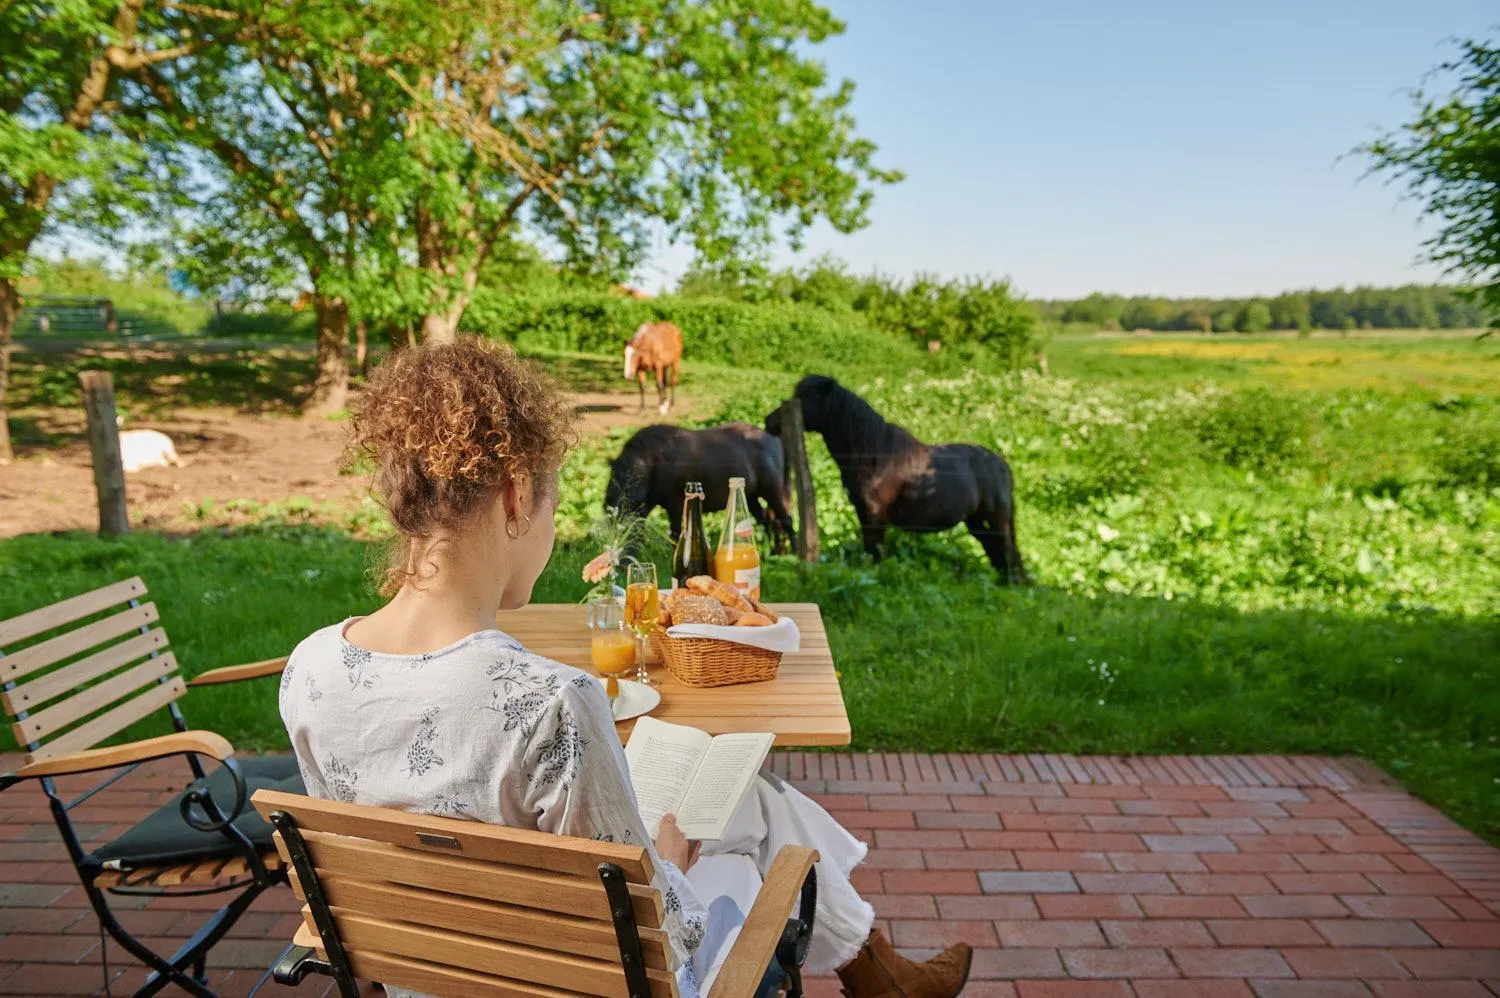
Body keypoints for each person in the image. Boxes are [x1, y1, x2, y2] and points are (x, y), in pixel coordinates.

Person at [279, 338, 972, 998]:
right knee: (745, 851)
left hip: (433, 969)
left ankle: (886, 977)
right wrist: (666, 860)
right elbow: (661, 942)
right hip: (582, 978)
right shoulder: (551, 702)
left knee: (744, 798)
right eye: (551, 504)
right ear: (518, 496)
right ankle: (878, 974)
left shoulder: (309, 668)